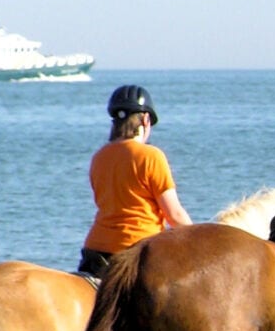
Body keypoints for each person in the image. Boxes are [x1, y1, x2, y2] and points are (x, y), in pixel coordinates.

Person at [78, 85, 192, 277]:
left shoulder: (99, 157)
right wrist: (199, 239)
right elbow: (174, 214)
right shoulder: (151, 156)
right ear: (146, 120)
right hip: (138, 253)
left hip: (95, 251)